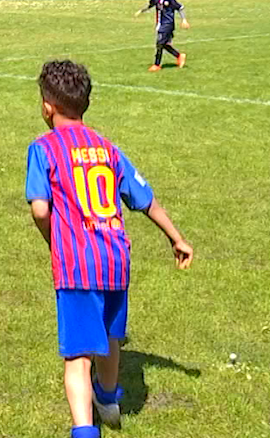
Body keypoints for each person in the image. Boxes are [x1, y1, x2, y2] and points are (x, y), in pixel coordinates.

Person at [24, 60, 194, 438]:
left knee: (77, 356)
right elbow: (144, 198)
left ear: (47, 106)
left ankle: (85, 430)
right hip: (116, 257)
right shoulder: (106, 148)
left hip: (77, 262)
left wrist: (52, 237)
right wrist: (176, 238)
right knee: (111, 336)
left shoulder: (43, 148)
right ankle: (109, 398)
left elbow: (39, 207)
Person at [135, 0, 189, 71]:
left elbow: (180, 7)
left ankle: (156, 65)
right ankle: (179, 56)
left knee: (159, 43)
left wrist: (184, 19)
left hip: (168, 24)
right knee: (163, 44)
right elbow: (151, 5)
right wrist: (142, 10)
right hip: (160, 24)